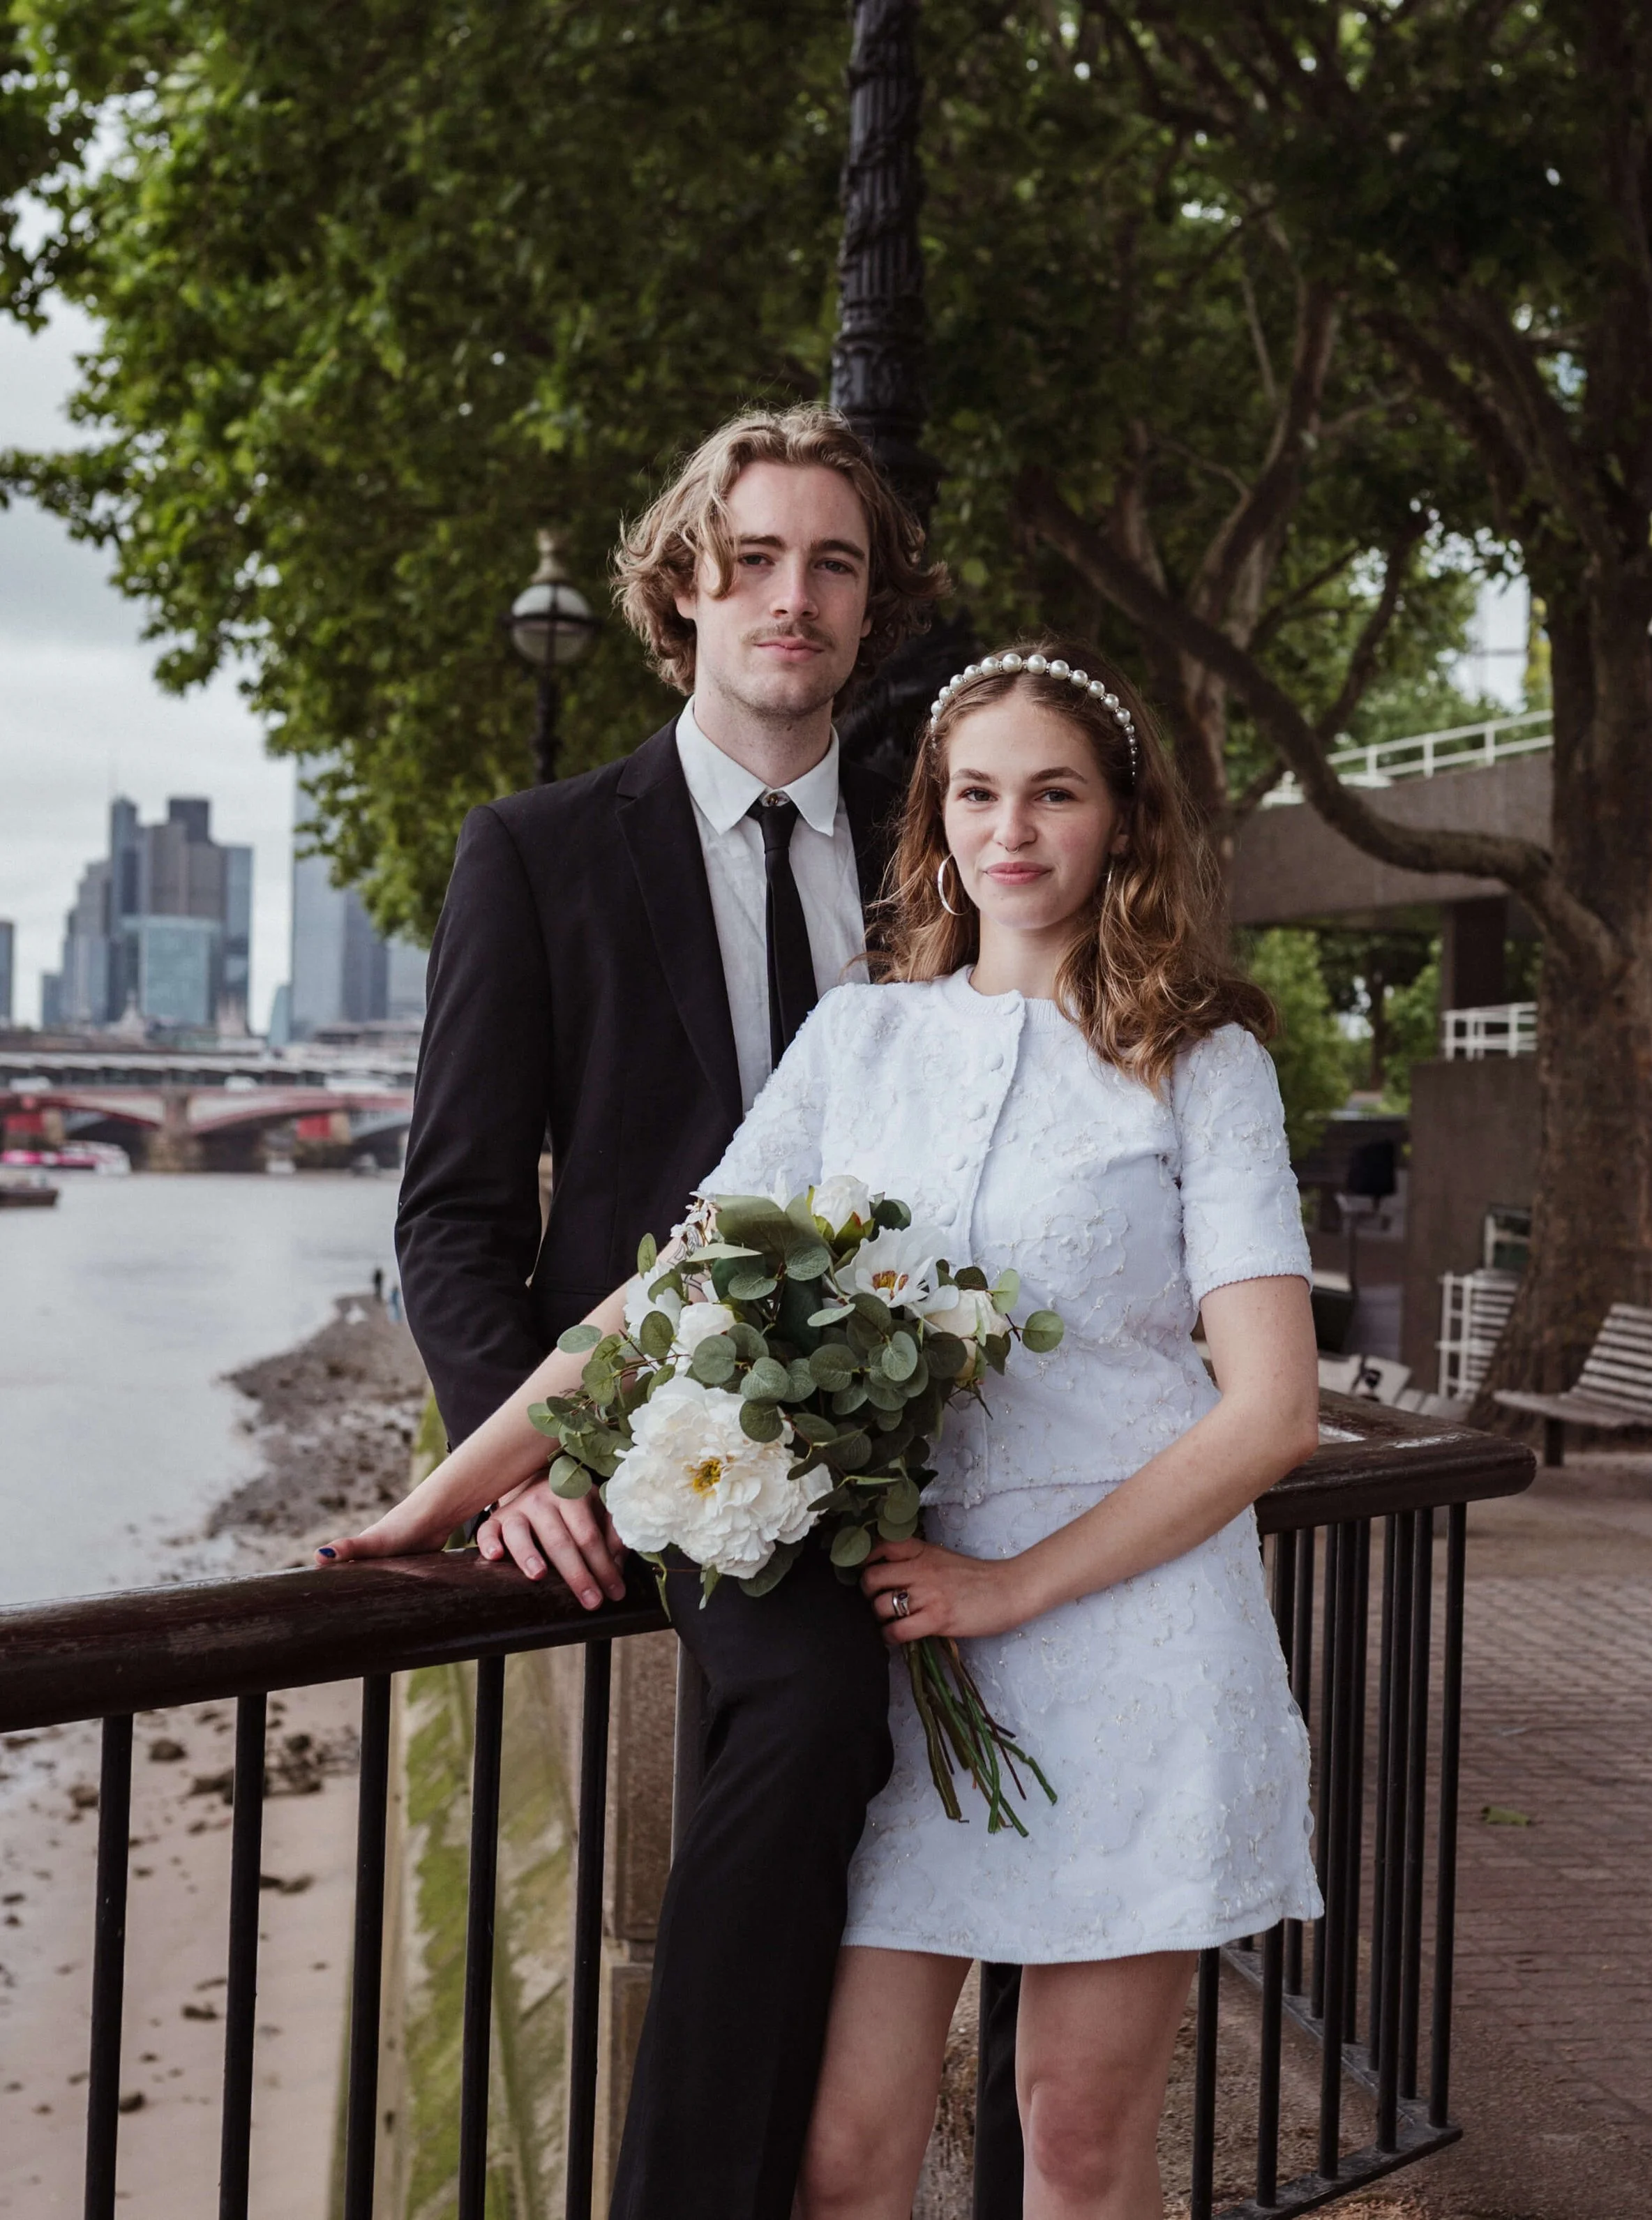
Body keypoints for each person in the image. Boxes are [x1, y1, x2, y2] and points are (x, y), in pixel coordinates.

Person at [315, 405, 1005, 2220]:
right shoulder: (534, 850)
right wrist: (507, 1461)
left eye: (833, 564)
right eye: (755, 558)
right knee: (810, 1705)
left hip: (937, 1411)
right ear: (679, 590)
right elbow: (455, 1210)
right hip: (655, 1424)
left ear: (870, 612)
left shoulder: (931, 848)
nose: (794, 596)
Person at [691, 638, 1326, 2220]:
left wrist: (1013, 1583)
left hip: (1130, 1638)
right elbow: (681, 1294)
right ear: (935, 816)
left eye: (1053, 793)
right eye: (975, 793)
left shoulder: (1201, 1060)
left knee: (1073, 2136)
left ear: (1119, 820)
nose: (1010, 831)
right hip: (902, 1653)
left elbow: (1273, 1410)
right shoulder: (858, 1041)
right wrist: (469, 1480)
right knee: (841, 2160)